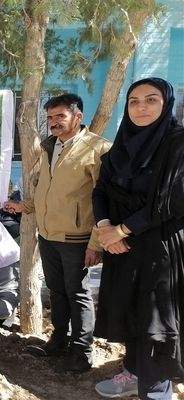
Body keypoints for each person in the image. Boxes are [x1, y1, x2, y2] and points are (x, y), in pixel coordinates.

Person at [3, 93, 111, 373]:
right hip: (49, 236)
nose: (53, 122)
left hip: (77, 239)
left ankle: (82, 352)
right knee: (58, 293)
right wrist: (25, 206)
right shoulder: (50, 146)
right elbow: (47, 191)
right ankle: (58, 341)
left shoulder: (98, 149)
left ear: (77, 117)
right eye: (49, 117)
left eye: (59, 116)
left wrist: (96, 243)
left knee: (78, 294)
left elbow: (106, 199)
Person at [92, 78, 184, 399]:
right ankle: (133, 374)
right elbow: (101, 189)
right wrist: (105, 227)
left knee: (154, 323)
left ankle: (157, 392)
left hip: (159, 249)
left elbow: (170, 200)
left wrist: (120, 230)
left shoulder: (178, 143)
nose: (141, 107)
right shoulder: (121, 145)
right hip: (122, 248)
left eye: (151, 99)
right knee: (129, 313)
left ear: (166, 103)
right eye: (134, 101)